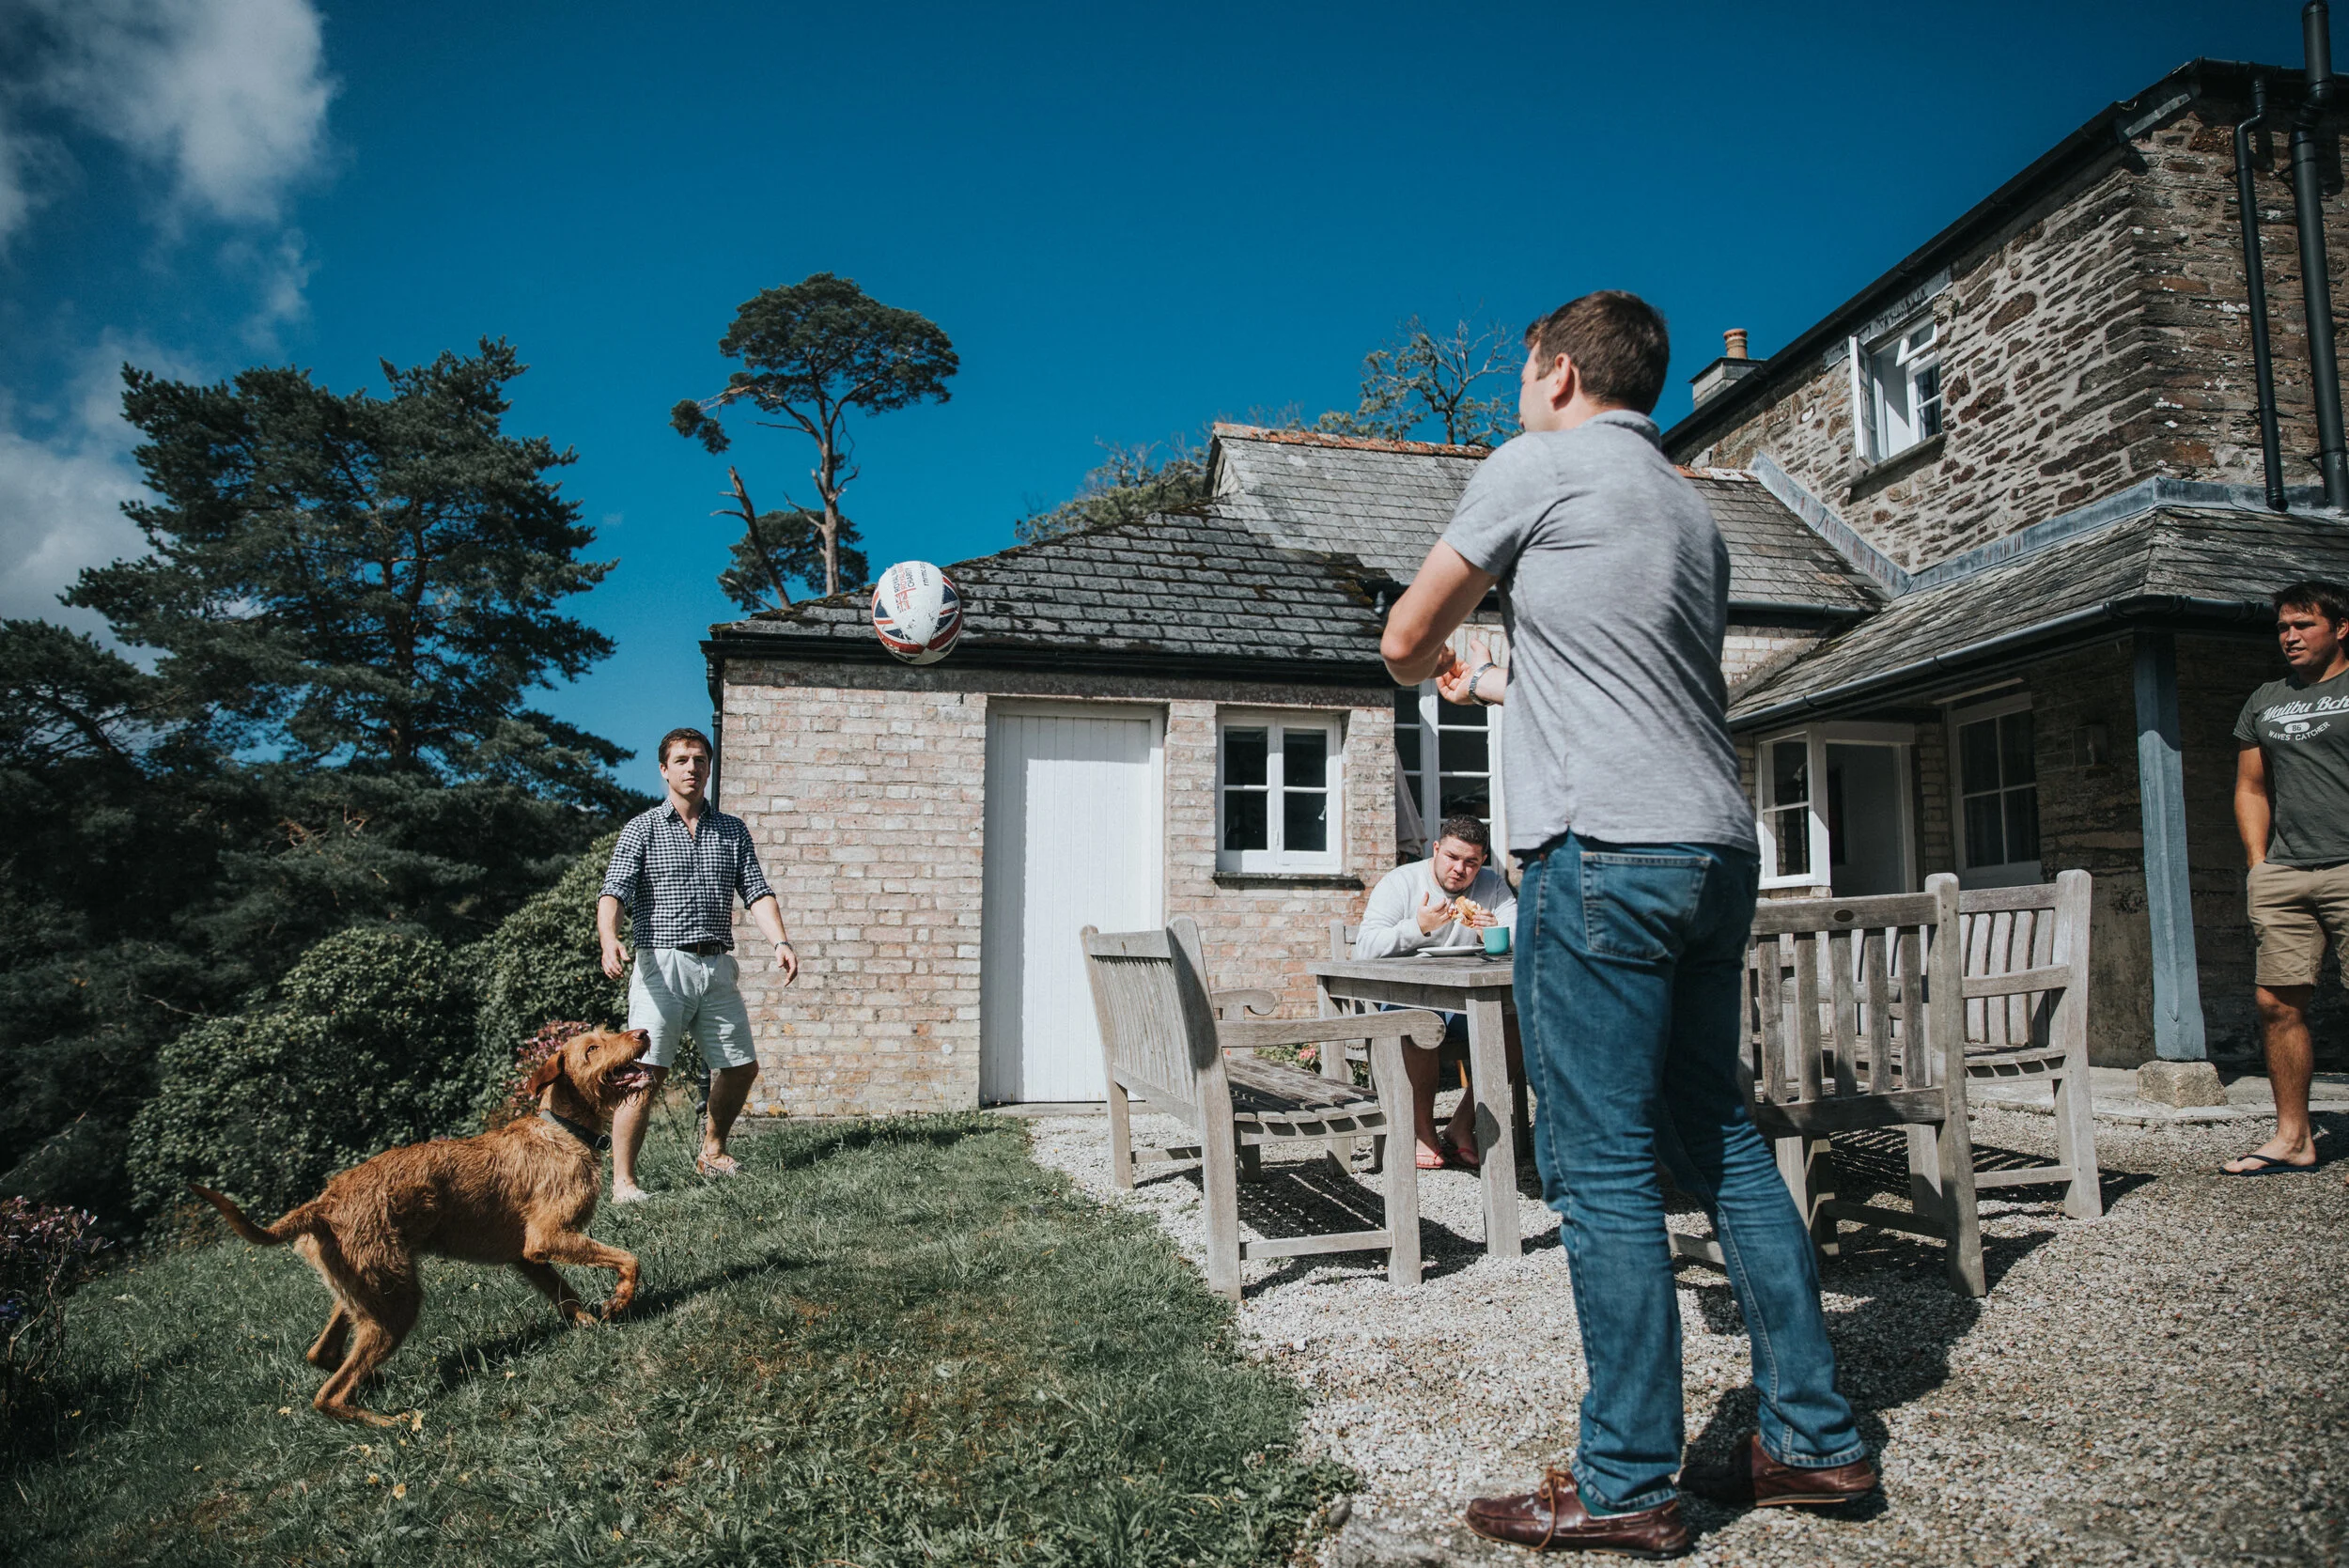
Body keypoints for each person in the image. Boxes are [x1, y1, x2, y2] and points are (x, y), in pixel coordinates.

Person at [1380, 290, 1875, 1556]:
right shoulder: (1687, 509)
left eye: (1521, 369)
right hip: (1713, 844)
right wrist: (1498, 674)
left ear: (1553, 370)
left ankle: (1625, 1480)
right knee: (1717, 1134)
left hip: (1600, 852)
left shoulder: (1536, 463)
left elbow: (1401, 636)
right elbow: (1626, 674)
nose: (1518, 392)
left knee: (1599, 1165)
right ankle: (1813, 1440)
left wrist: (1434, 655)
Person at [597, 727, 799, 1203]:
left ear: (709, 768)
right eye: (682, 760)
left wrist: (780, 941)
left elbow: (756, 891)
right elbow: (614, 891)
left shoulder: (731, 830)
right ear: (664, 769)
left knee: (740, 1066)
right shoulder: (642, 828)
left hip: (717, 966)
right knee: (645, 1073)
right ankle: (624, 1182)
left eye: (700, 760)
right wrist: (609, 937)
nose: (692, 767)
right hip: (661, 967)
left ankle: (712, 1150)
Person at [2227, 581, 2349, 1178]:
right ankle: (2295, 1138)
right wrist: (2258, 864)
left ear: (2341, 628)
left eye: (2303, 625)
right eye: (2283, 628)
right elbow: (2250, 786)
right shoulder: (2266, 699)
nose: (2291, 637)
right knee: (2277, 1003)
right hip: (2285, 871)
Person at [1355, 815, 1520, 1169]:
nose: (1460, 869)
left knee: (1520, 1023)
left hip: (1463, 1004)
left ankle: (1462, 1126)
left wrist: (1495, 935)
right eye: (1452, 857)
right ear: (1436, 849)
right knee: (1421, 1024)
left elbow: (1521, 937)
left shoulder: (1492, 886)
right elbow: (1364, 948)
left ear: (1482, 862)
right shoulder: (1401, 882)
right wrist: (1419, 927)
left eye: (1471, 862)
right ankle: (1423, 1132)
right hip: (1402, 1002)